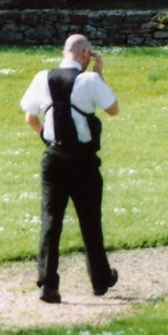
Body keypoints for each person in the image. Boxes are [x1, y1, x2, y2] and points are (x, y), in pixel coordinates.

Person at [20, 34, 120, 303]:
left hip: (53, 157)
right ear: (86, 54)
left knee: (51, 221)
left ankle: (48, 285)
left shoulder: (43, 77)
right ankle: (100, 280)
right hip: (83, 160)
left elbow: (30, 116)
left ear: (64, 52)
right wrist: (100, 74)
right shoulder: (89, 80)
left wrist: (45, 135)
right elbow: (113, 109)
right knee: (90, 220)